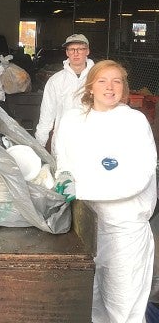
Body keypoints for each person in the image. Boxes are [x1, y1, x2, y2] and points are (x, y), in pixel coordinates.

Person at [54, 60, 157, 322]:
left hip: (125, 230)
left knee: (124, 308)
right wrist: (63, 177)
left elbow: (138, 178)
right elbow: (62, 160)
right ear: (90, 87)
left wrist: (83, 187)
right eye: (102, 81)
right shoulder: (71, 120)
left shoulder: (134, 122)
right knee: (91, 303)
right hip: (84, 227)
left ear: (124, 88)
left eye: (117, 81)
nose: (109, 87)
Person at [35, 34, 94, 155]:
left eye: (80, 49)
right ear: (67, 53)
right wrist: (39, 146)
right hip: (63, 142)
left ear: (87, 51)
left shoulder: (97, 78)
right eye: (71, 49)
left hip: (91, 141)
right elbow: (47, 113)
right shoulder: (56, 81)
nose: (76, 53)